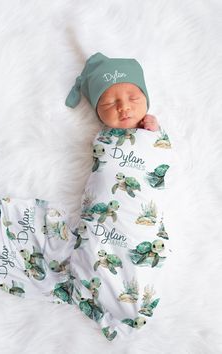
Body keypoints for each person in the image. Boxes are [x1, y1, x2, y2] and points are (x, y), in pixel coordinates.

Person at [65, 52, 173, 341]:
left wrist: (154, 133)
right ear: (99, 113)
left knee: (139, 250)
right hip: (102, 221)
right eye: (110, 103)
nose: (124, 107)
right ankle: (99, 287)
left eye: (133, 98)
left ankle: (131, 300)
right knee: (93, 249)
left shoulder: (151, 135)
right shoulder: (105, 138)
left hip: (139, 223)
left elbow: (161, 159)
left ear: (146, 100)